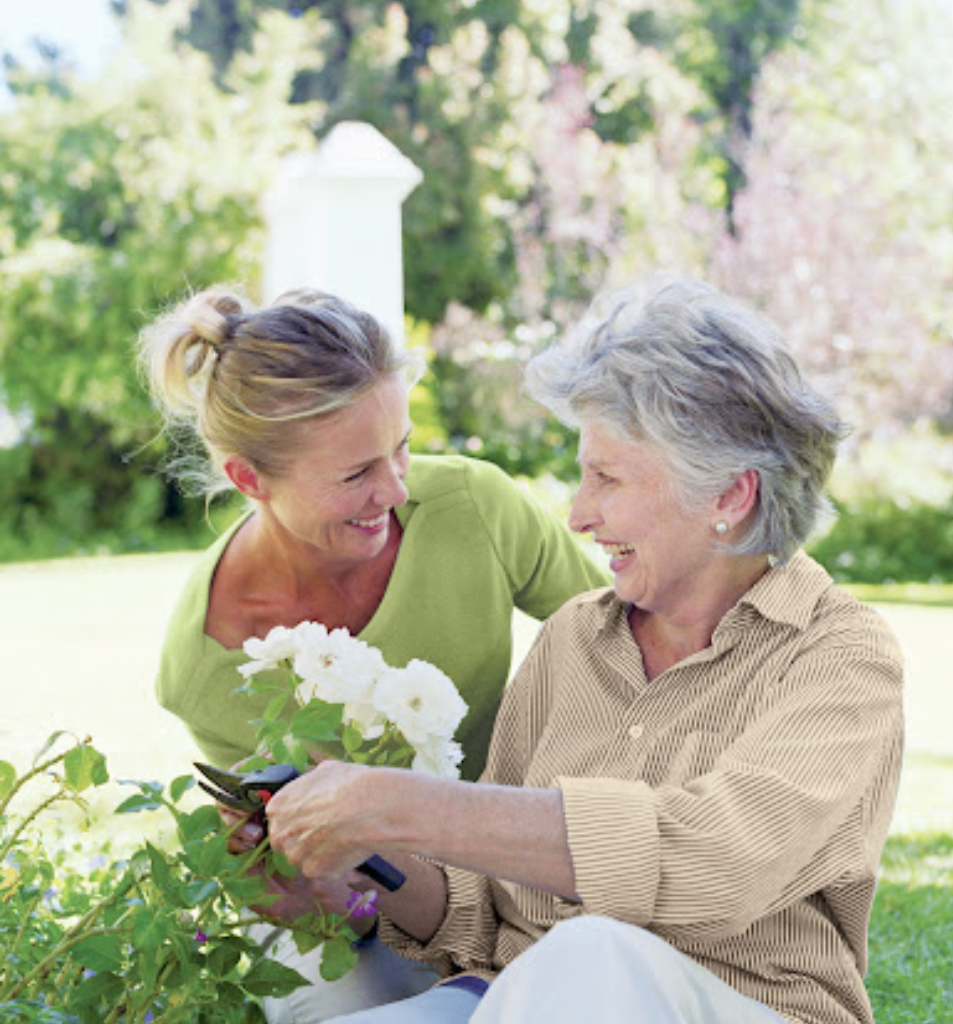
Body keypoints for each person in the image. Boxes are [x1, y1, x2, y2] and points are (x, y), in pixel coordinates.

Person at [259, 273, 905, 1024]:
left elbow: (715, 865)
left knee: (591, 953)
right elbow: (477, 912)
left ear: (729, 496)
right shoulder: (573, 637)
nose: (578, 514)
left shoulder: (840, 657)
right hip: (512, 998)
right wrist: (349, 874)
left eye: (607, 478)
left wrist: (399, 804)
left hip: (742, 1005)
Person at [138, 285, 609, 1022]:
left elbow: (636, 645)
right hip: (377, 910)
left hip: (531, 863)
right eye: (355, 474)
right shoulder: (211, 662)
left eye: (402, 448)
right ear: (249, 479)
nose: (393, 491)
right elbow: (318, 890)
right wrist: (313, 897)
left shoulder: (471, 508)